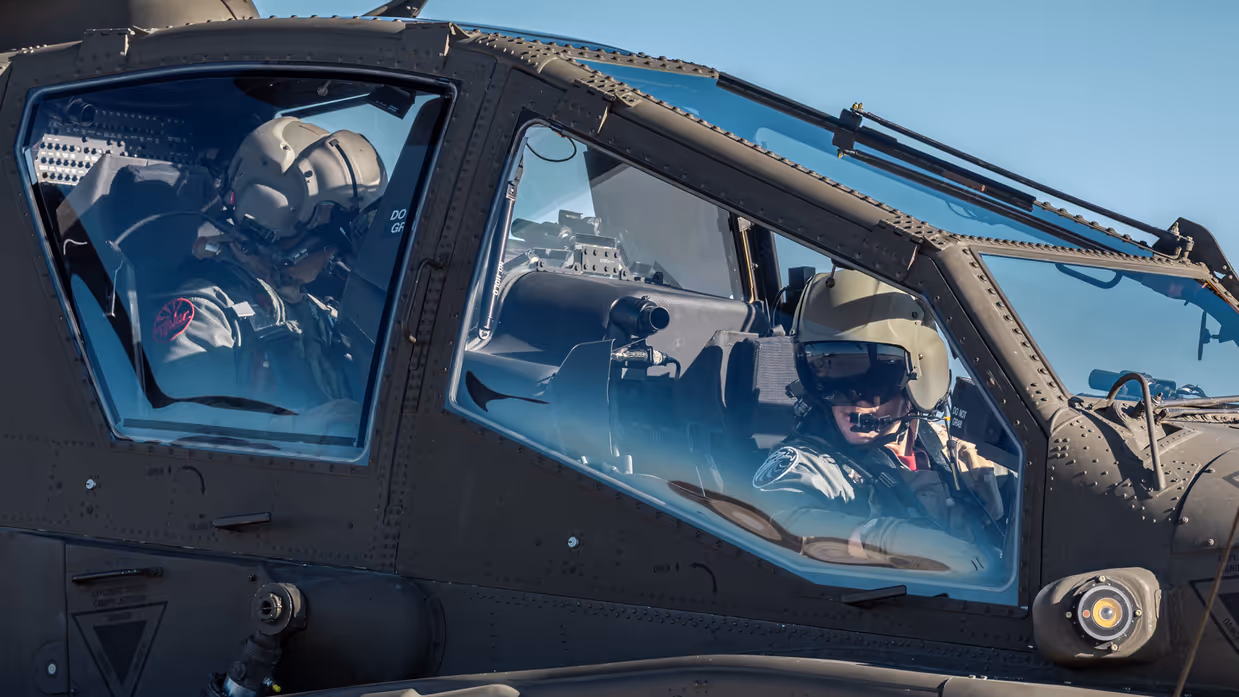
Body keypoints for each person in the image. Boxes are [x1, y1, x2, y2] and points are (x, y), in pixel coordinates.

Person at [750, 268, 1013, 575]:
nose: (852, 399)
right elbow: (783, 524)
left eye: (873, 378)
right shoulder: (806, 466)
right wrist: (888, 539)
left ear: (922, 374)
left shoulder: (957, 453)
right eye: (828, 377)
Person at [144, 116, 387, 432]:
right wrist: (299, 431)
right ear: (268, 227)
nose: (331, 254)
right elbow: (183, 423)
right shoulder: (208, 308)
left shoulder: (319, 313)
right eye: (324, 236)